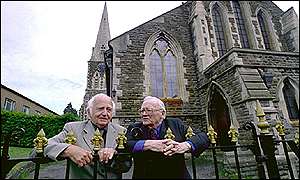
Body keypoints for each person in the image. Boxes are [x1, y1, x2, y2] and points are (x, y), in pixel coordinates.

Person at [43, 93, 132, 179]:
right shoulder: (72, 129)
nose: (105, 113)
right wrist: (69, 149)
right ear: (89, 112)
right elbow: (43, 147)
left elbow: (126, 164)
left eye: (109, 109)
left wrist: (115, 154)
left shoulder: (121, 131)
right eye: (100, 109)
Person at [125, 96, 210, 179]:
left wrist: (185, 146)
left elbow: (203, 137)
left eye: (149, 110)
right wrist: (148, 144)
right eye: (142, 111)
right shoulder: (134, 128)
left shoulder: (175, 124)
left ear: (163, 113)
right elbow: (124, 145)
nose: (144, 114)